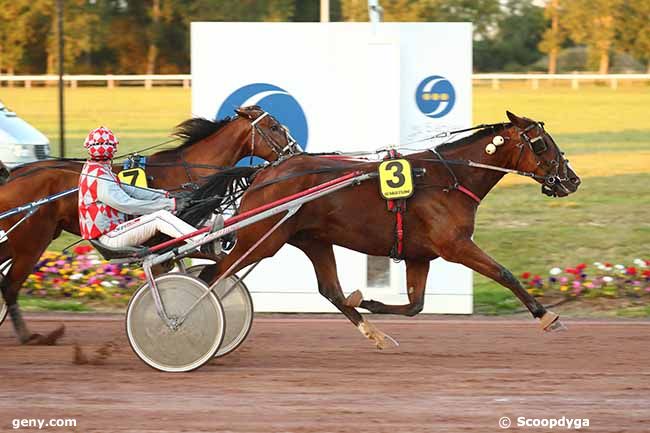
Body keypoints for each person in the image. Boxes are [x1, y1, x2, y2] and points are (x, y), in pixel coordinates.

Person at [78, 126, 217, 251]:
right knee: (160, 217)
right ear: (114, 149)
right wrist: (170, 204)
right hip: (110, 237)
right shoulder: (98, 176)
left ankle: (210, 228)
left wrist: (168, 196)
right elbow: (126, 204)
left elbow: (133, 191)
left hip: (114, 231)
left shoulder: (98, 170)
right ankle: (202, 241)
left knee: (170, 213)